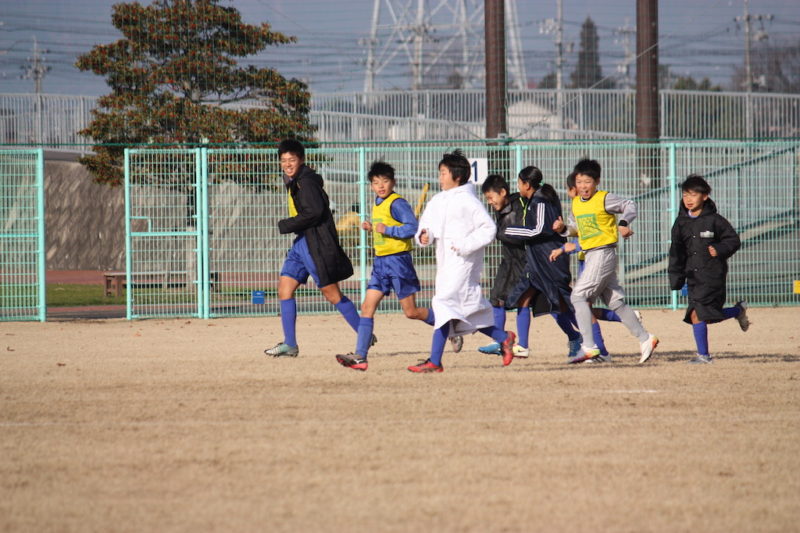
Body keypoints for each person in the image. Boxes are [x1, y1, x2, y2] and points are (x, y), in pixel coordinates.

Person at [335, 161, 462, 371]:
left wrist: (387, 230)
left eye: (385, 181)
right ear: (371, 185)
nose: (380, 186)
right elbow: (384, 227)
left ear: (393, 182)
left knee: (411, 312)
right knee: (366, 307)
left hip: (398, 262)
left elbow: (412, 228)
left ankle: (449, 328)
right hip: (380, 263)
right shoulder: (378, 202)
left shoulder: (397, 203)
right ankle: (360, 357)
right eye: (376, 182)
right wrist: (372, 228)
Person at [408, 150, 516, 373]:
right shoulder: (437, 200)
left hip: (464, 264)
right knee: (460, 312)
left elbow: (488, 228)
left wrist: (466, 245)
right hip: (445, 263)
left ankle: (435, 361)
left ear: (457, 176)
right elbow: (425, 226)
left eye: (443, 173)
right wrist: (424, 236)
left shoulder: (469, 201)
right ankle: (503, 337)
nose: (440, 177)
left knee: (443, 304)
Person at [264, 139, 363, 357]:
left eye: (292, 160)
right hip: (302, 242)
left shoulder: (305, 183)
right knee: (285, 289)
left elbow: (314, 213)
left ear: (301, 160)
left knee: (332, 294)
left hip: (314, 244)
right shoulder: (294, 180)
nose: (287, 164)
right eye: (283, 160)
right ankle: (290, 344)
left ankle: (363, 332)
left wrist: (286, 224)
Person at [555, 158, 658, 364]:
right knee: (615, 302)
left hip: (602, 252)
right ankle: (645, 338)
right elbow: (576, 229)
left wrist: (624, 222)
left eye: (588, 182)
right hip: (591, 255)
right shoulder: (576, 203)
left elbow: (630, 204)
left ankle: (589, 347)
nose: (583, 186)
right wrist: (563, 229)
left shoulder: (604, 198)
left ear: (597, 182)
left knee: (578, 297)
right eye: (579, 182)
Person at [503, 166, 583, 360]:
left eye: (519, 183)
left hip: (550, 260)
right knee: (524, 298)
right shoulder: (536, 199)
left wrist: (508, 230)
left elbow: (538, 229)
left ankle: (590, 338)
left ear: (527, 184)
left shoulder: (540, 201)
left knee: (562, 304)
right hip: (536, 261)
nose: (517, 186)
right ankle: (523, 345)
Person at [668, 174, 750, 364]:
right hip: (692, 276)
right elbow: (676, 252)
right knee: (708, 316)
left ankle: (704, 356)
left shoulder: (715, 220)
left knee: (698, 314)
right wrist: (676, 277)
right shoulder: (680, 223)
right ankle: (737, 311)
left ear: (705, 196)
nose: (688, 199)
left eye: (693, 195)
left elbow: (733, 240)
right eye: (685, 195)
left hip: (713, 275)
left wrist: (719, 249)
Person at [479, 174, 549, 359]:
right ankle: (501, 341)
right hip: (509, 261)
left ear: (503, 192)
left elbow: (523, 234)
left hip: (526, 261)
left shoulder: (519, 206)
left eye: (491, 197)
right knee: (497, 298)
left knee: (554, 306)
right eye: (487, 199)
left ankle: (575, 338)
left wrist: (499, 233)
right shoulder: (501, 208)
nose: (490, 202)